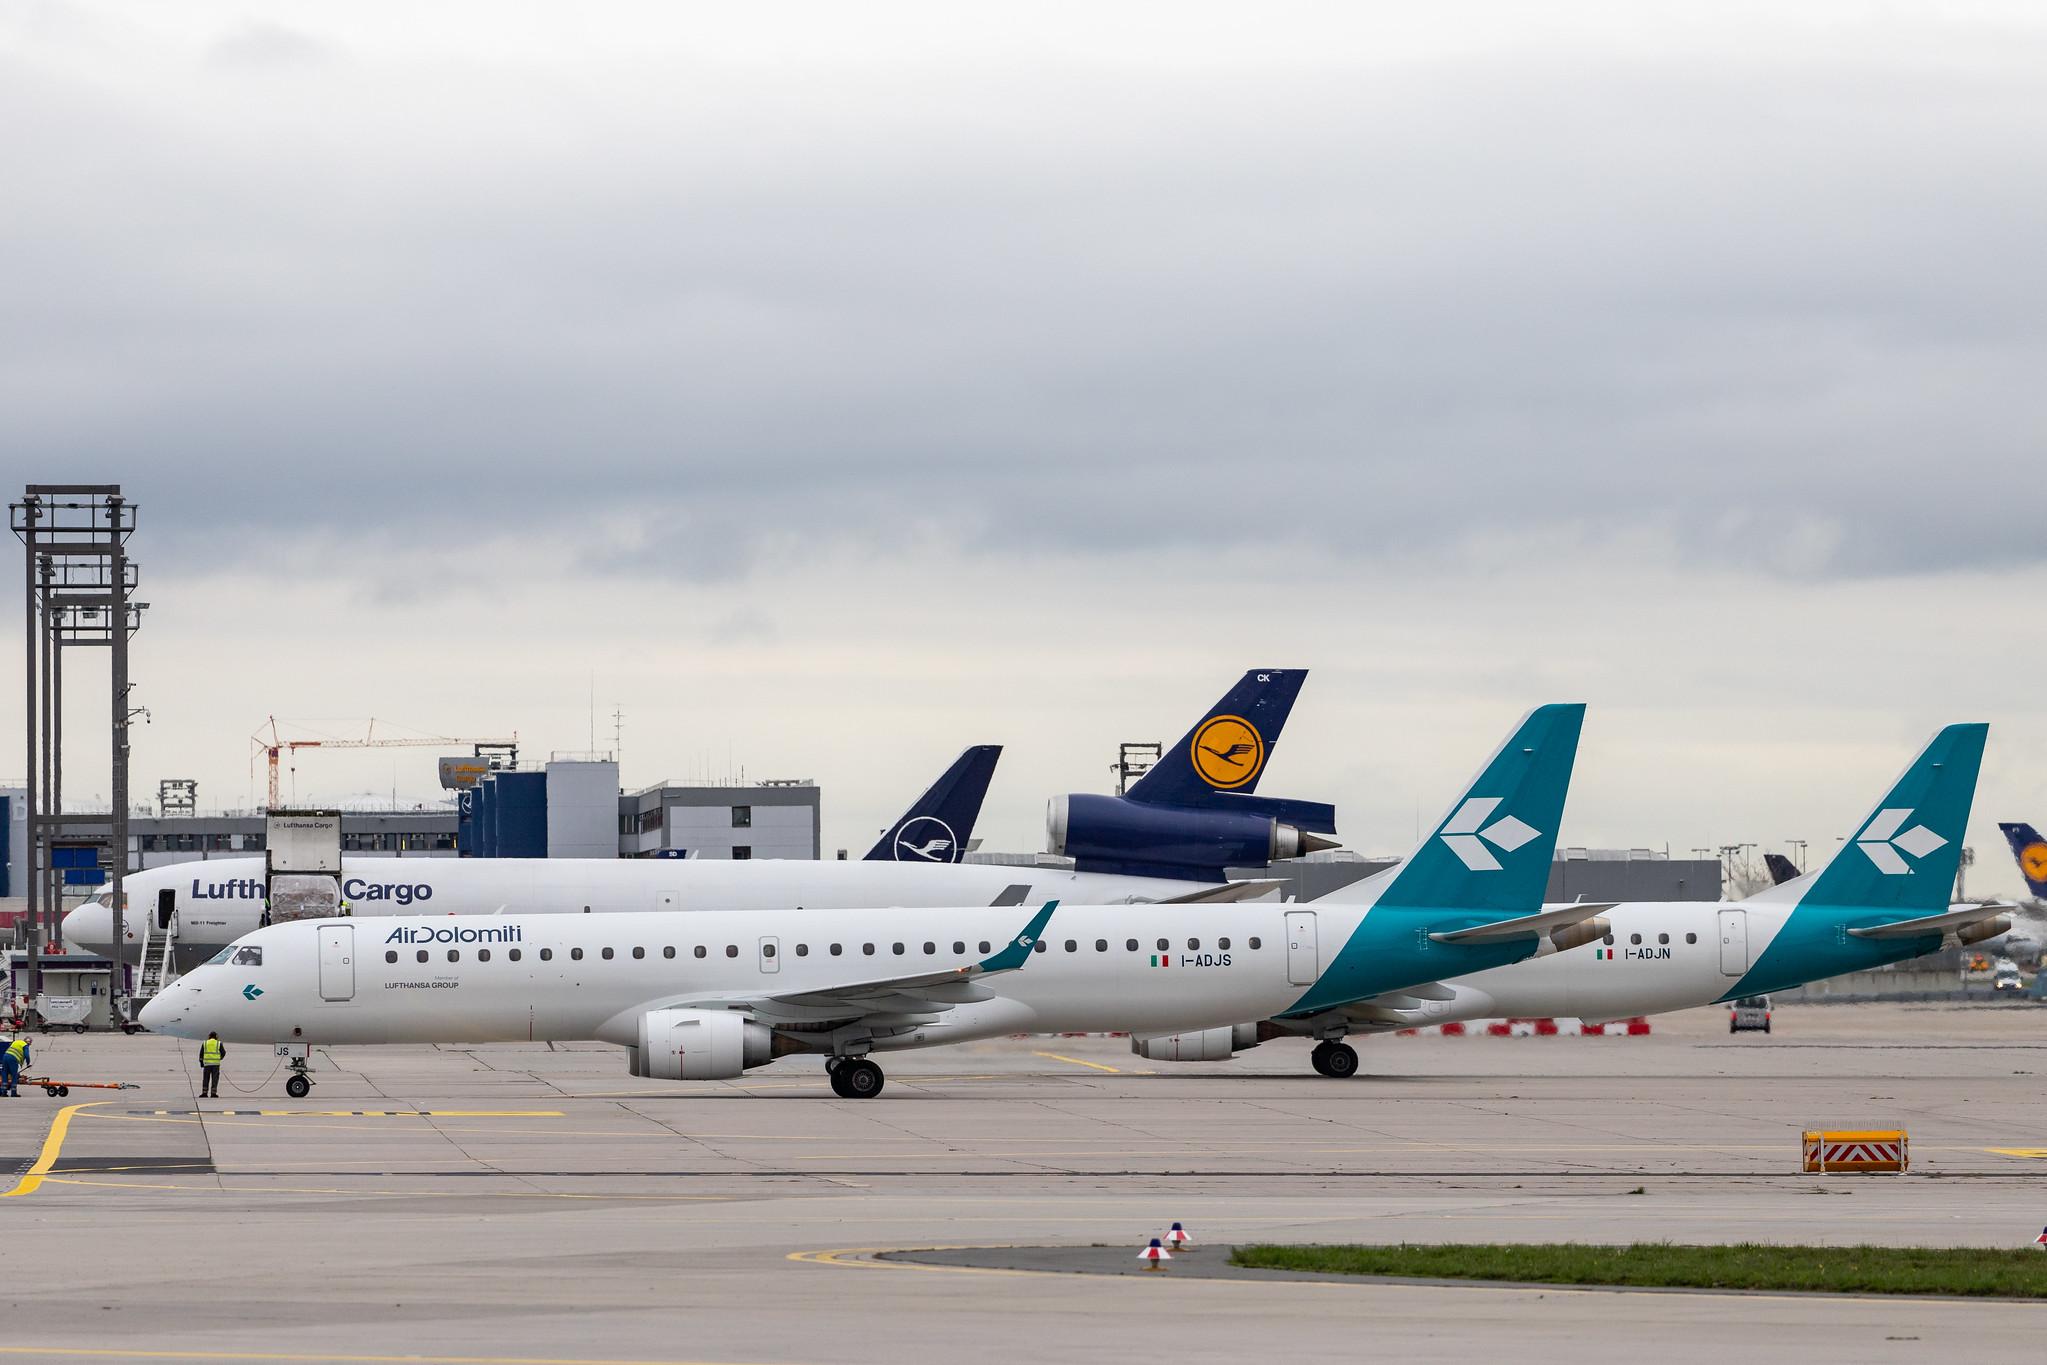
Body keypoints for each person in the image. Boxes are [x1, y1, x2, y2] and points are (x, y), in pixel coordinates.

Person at [199, 1032, 225, 1099]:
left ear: (209, 1036)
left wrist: (201, 1062)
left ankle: (204, 1093)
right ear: (216, 1036)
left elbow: (201, 1054)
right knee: (215, 1079)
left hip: (207, 1064)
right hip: (216, 1064)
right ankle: (213, 1093)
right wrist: (220, 1058)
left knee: (206, 1078)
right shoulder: (218, 1043)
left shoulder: (205, 1043)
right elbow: (223, 1052)